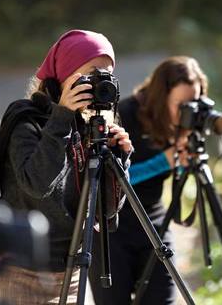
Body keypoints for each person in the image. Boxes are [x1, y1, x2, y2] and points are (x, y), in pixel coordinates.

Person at [0, 29, 132, 305]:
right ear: (64, 74)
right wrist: (62, 118)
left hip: (73, 272)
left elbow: (106, 212)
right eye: (92, 73)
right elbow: (38, 185)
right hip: (19, 274)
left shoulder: (91, 128)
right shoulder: (27, 120)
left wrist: (119, 159)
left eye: (107, 74)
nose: (100, 81)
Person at [89, 56, 208, 304]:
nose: (188, 110)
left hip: (153, 221)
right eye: (182, 104)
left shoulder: (183, 123)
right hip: (113, 228)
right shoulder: (126, 114)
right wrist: (165, 161)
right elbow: (110, 180)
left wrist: (185, 162)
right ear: (161, 97)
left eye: (194, 102)